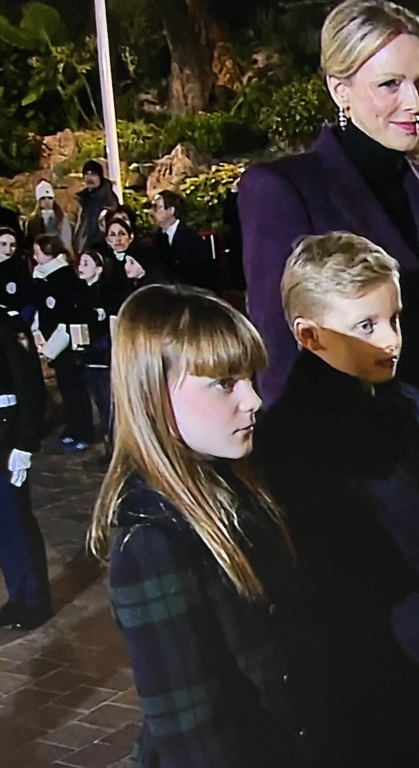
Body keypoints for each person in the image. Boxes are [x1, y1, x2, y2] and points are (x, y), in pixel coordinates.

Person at [238, 0, 419, 515]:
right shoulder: (283, 190)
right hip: (354, 475)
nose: (416, 102)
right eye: (389, 85)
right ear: (340, 89)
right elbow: (281, 359)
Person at [252, 232, 419, 768]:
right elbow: (320, 574)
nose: (390, 340)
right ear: (309, 336)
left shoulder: (407, 403)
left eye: (394, 319)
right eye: (365, 326)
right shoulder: (290, 439)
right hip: (364, 685)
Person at [87, 285, 324, 767]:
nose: (253, 399)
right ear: (154, 393)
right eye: (224, 382)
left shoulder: (238, 483)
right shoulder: (153, 543)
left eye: (249, 378)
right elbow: (190, 731)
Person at [0, 298, 52, 630]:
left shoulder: (8, 323)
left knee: (15, 517)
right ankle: (17, 595)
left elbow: (30, 385)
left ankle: (35, 599)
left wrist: (25, 444)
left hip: (6, 431)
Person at [32, 234, 93, 453]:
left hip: (66, 344)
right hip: (53, 341)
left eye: (38, 251)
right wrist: (38, 335)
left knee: (75, 388)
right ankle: (73, 427)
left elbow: (68, 318)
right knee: (66, 389)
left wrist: (51, 348)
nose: (34, 255)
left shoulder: (65, 279)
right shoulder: (41, 278)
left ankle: (83, 431)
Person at [76, 250, 119, 451]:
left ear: (99, 268)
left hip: (104, 355)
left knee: (110, 405)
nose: (81, 267)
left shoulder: (105, 293)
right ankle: (109, 446)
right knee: (101, 405)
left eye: (86, 263)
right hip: (88, 355)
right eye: (80, 263)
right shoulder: (80, 292)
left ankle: (116, 447)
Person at [151, 190, 217, 291]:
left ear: (171, 210)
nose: (153, 212)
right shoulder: (157, 238)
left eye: (158, 207)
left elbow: (200, 272)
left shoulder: (190, 238)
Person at [73, 159, 119, 254]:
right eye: (87, 174)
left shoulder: (108, 199)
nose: (89, 178)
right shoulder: (81, 199)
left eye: (93, 174)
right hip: (83, 248)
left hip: (101, 248)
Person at [0, 226, 34, 324]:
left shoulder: (19, 269)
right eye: (3, 244)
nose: (8, 250)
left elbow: (27, 298)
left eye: (12, 245)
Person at [26, 180, 72, 250]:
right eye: (43, 198)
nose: (47, 201)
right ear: (39, 201)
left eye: (50, 198)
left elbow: (66, 242)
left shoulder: (62, 218)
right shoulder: (32, 220)